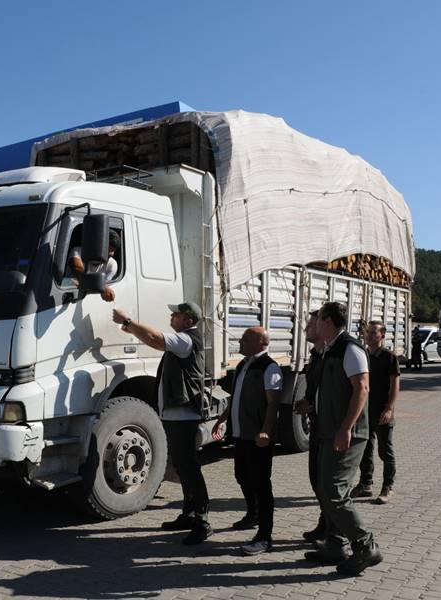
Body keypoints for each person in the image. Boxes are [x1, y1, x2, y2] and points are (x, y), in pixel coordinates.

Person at [112, 301, 212, 545]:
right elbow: (153, 339)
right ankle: (189, 514)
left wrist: (127, 321)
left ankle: (202, 520)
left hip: (183, 417)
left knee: (188, 468)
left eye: (176, 314)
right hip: (175, 416)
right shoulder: (183, 338)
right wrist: (133, 329)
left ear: (188, 320)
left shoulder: (187, 339)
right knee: (182, 466)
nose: (171, 316)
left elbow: (156, 339)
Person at [309, 301, 383, 576]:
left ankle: (365, 546)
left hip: (348, 433)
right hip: (329, 430)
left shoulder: (349, 348)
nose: (314, 324)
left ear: (328, 321)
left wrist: (346, 428)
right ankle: (335, 545)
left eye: (318, 319)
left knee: (335, 491)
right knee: (325, 488)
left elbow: (362, 388)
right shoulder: (330, 349)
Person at [212, 326, 283, 555]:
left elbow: (273, 403)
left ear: (260, 342)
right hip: (241, 434)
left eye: (245, 339)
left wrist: (266, 431)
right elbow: (237, 396)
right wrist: (222, 419)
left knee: (262, 484)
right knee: (242, 475)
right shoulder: (243, 365)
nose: (239, 342)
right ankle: (252, 514)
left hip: (258, 437)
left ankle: (265, 536)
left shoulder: (269, 367)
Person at [351, 321, 400, 504]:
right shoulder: (362, 355)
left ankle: (388, 486)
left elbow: (395, 385)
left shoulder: (389, 357)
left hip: (382, 411)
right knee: (365, 449)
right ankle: (366, 484)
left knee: (384, 451)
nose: (369, 336)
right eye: (367, 332)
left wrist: (389, 408)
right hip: (365, 411)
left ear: (382, 336)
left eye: (373, 333)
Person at [294, 310, 327, 543]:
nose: (306, 328)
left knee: (327, 483)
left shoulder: (332, 356)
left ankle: (333, 534)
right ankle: (324, 524)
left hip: (330, 429)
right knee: (316, 480)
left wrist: (313, 406)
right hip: (317, 426)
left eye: (311, 324)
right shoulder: (315, 355)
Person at [68, 230, 121, 302]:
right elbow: (77, 269)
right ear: (98, 243)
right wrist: (102, 287)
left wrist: (103, 289)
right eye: (108, 248)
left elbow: (102, 287)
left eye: (113, 250)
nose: (111, 253)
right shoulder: (78, 251)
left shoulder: (112, 265)